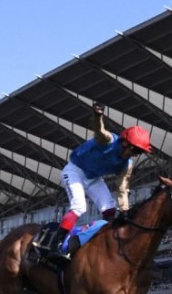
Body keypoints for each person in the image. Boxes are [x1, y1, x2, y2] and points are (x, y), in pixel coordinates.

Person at [42, 102, 152, 261]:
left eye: (140, 152)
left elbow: (122, 189)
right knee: (80, 206)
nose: (135, 154)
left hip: (93, 178)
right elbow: (99, 130)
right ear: (124, 142)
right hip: (75, 170)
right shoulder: (108, 141)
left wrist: (125, 210)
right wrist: (97, 116)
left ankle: (98, 244)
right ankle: (55, 246)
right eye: (135, 150)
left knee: (110, 210)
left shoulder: (126, 164)